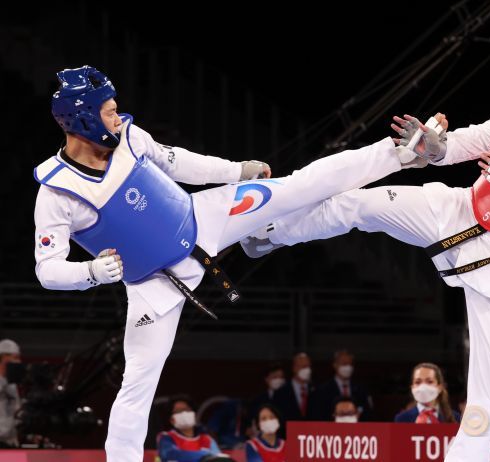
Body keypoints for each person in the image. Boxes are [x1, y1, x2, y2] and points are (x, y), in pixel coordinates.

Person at [241, 30, 490, 461]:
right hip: (461, 210)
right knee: (361, 205)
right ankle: (269, 233)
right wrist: (438, 147)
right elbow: (480, 139)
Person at [33, 66, 419, 462]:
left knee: (300, 185)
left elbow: (178, 162)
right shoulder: (57, 192)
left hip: (205, 217)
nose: (118, 116)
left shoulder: (130, 137)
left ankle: (400, 153)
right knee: (138, 383)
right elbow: (47, 270)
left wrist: (236, 171)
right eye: (109, 111)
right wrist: (90, 273)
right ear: (82, 118)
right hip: (155, 284)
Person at [157, 398, 229, 462]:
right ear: (172, 420)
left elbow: (218, 458)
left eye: (187, 409)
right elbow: (168, 454)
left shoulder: (207, 439)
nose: (184, 413)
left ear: (193, 414)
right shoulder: (166, 437)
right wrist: (203, 455)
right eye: (179, 411)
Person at [312, 349, 372, 421]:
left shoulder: (361, 389)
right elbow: (318, 416)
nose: (348, 367)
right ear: (335, 365)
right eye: (344, 364)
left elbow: (367, 414)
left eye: (350, 364)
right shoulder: (322, 390)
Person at [394, 362, 459, 424]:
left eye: (429, 382)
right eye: (418, 382)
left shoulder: (456, 418)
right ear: (412, 388)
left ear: (440, 387)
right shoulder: (402, 419)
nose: (423, 387)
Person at [272, 353, 316, 426]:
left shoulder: (317, 390)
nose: (308, 370)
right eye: (304, 366)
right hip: (288, 434)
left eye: (309, 366)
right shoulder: (281, 393)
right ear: (294, 368)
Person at [0, 339, 21, 448]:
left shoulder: (12, 385)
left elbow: (16, 410)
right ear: (4, 358)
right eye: (15, 358)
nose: (18, 362)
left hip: (9, 442)